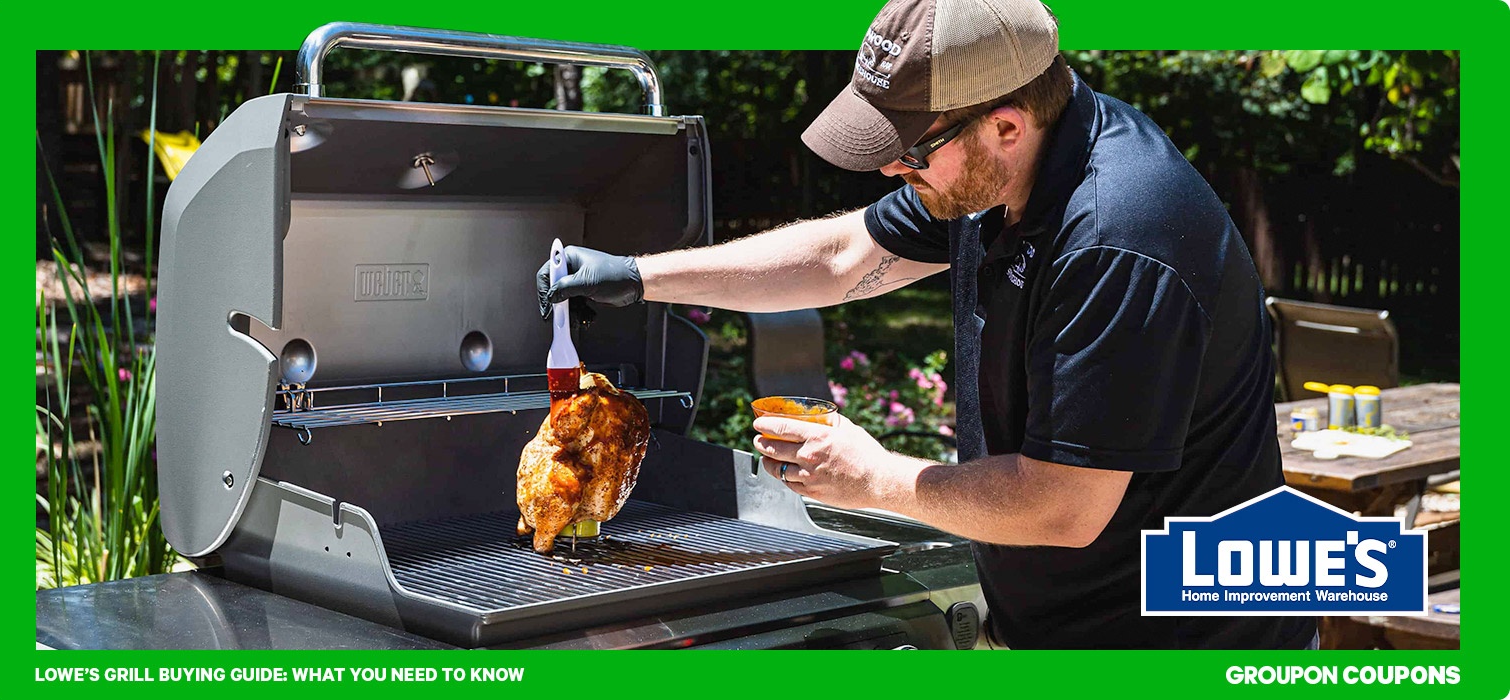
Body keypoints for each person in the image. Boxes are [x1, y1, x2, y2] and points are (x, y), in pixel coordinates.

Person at [537, 0, 1317, 650]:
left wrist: (874, 477)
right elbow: (844, 255)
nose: (890, 169)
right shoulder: (997, 169)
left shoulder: (1120, 237)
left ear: (1006, 126)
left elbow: (1063, 506)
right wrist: (639, 276)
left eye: (910, 149)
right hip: (1054, 625)